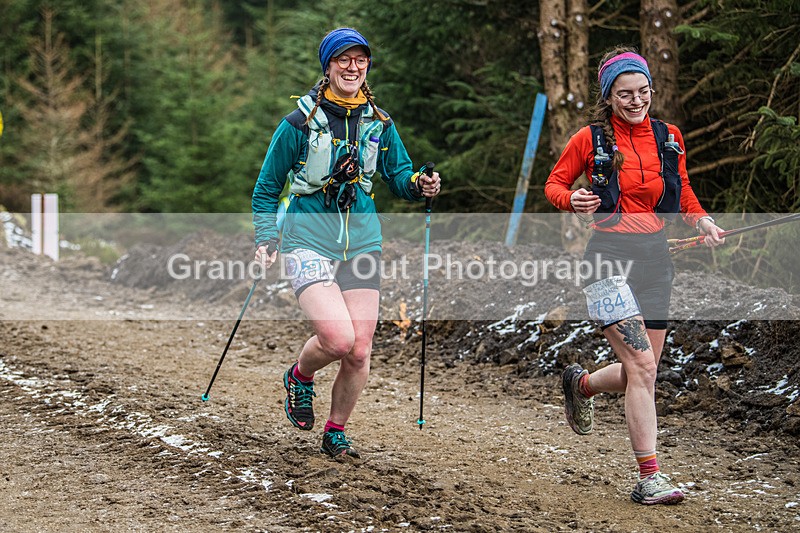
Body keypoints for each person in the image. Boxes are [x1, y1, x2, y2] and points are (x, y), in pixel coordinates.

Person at [544, 47, 725, 505]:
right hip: (607, 260)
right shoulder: (589, 138)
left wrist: (700, 220)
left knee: (640, 374)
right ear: (609, 97)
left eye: (643, 91)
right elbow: (554, 185)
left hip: (656, 261)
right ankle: (650, 476)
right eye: (625, 94)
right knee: (642, 367)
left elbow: (682, 190)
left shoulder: (669, 136)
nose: (636, 100)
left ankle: (580, 384)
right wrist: (575, 201)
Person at [252, 28, 441, 459]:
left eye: (360, 59)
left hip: (362, 243)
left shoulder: (380, 122)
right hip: (306, 240)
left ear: (367, 66)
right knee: (337, 340)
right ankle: (300, 377)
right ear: (328, 66)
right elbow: (266, 189)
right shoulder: (297, 123)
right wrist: (266, 237)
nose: (352, 67)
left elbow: (400, 177)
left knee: (359, 349)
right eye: (343, 59)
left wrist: (421, 185)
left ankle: (335, 430)